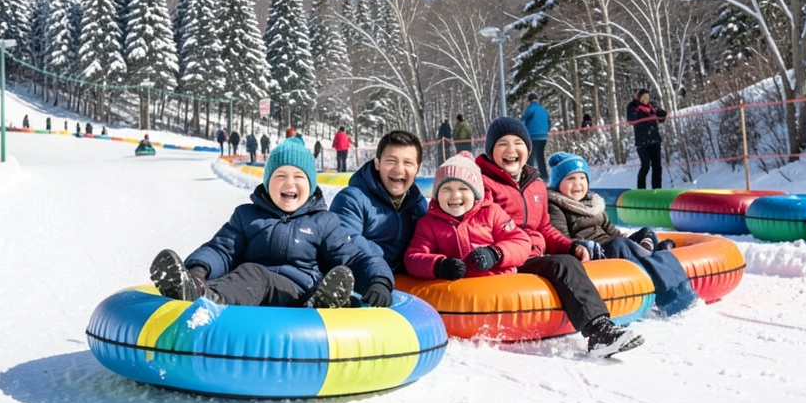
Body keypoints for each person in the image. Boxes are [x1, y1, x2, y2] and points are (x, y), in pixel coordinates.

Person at [149, 138, 394, 309]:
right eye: (280, 176)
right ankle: (196, 291)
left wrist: (379, 280)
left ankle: (322, 304)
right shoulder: (247, 216)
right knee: (253, 274)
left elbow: (353, 258)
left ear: (310, 186)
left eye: (299, 177)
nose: (290, 183)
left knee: (264, 275)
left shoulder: (324, 221)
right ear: (267, 183)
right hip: (249, 289)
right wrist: (197, 270)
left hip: (299, 293)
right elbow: (221, 250)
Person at [476, 117, 643, 356]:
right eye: (502, 143)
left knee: (569, 259)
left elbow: (545, 228)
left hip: (534, 255)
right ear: (491, 150)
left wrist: (570, 246)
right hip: (506, 258)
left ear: (527, 148)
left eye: (517, 143)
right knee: (563, 265)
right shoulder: (484, 184)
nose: (511, 150)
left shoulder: (534, 185)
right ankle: (598, 331)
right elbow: (482, 227)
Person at [547, 153, 696, 316]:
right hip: (593, 253)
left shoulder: (593, 204)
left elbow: (611, 231)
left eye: (582, 178)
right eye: (570, 179)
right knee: (620, 244)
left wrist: (628, 239)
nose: (578, 184)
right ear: (557, 183)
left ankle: (645, 254)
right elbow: (561, 238)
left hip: (614, 245)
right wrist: (583, 247)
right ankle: (668, 291)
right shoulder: (556, 206)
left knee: (645, 232)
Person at [328, 130, 428, 307]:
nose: (398, 169)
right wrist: (378, 277)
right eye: (391, 161)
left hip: (396, 284)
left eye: (408, 163)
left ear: (417, 168)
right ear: (377, 163)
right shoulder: (352, 199)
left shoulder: (418, 206)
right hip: (363, 282)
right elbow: (348, 246)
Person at [404, 151, 531, 281]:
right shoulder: (428, 224)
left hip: (497, 286)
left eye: (463, 189)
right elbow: (413, 258)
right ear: (436, 196)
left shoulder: (492, 213)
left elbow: (521, 242)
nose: (455, 195)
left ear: (476, 194)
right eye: (446, 189)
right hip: (458, 293)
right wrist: (439, 266)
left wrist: (495, 254)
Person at [627, 89, 667, 190]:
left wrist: (662, 114)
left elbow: (661, 117)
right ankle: (641, 190)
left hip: (654, 139)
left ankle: (657, 189)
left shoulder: (652, 106)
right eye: (643, 98)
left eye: (647, 98)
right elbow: (631, 119)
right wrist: (648, 116)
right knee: (645, 166)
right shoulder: (633, 106)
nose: (646, 100)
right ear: (639, 98)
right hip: (642, 142)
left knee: (657, 166)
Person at [522, 92, 551, 180]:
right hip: (543, 136)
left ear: (529, 101)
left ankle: (529, 176)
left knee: (530, 155)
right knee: (540, 156)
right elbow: (549, 122)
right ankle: (544, 174)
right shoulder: (543, 110)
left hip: (533, 135)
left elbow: (524, 119)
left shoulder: (530, 108)